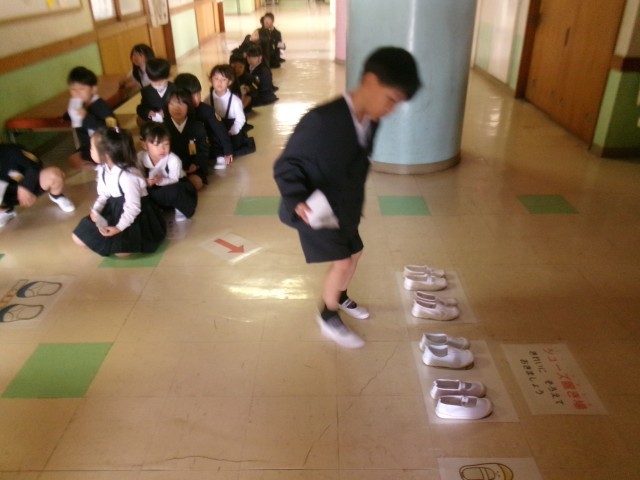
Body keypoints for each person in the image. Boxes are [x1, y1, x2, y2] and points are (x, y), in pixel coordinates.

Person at [273, 46, 421, 348]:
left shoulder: (372, 120)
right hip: (312, 208)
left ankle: (338, 295)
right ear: (370, 81)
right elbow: (286, 165)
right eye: (391, 100)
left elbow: (358, 165)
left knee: (355, 253)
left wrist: (356, 202)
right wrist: (297, 198)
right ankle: (328, 315)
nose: (391, 110)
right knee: (342, 261)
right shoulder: (322, 120)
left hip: (343, 204)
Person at [72, 127, 166, 256]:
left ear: (106, 154)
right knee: (78, 238)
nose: (90, 151)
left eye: (92, 148)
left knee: (121, 252)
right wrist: (96, 210)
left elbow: (133, 207)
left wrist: (119, 228)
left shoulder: (128, 176)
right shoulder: (103, 169)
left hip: (135, 215)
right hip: (113, 208)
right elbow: (104, 194)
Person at [0, 144, 76, 227]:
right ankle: (6, 210)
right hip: (6, 197)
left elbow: (34, 164)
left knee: (55, 174)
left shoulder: (11, 150)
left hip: (30, 184)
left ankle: (56, 196)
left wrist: (25, 187)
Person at [138, 122, 197, 222]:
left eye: (166, 144)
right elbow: (138, 176)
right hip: (154, 189)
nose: (162, 149)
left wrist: (160, 181)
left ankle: (180, 207)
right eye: (156, 145)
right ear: (144, 145)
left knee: (174, 191)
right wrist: (145, 181)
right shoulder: (140, 157)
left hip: (175, 185)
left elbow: (174, 179)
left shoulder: (173, 159)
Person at [174, 72, 234, 171]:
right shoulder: (177, 111)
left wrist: (228, 150)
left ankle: (218, 155)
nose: (197, 99)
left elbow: (220, 129)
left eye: (198, 93)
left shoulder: (206, 110)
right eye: (192, 96)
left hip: (207, 142)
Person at [65, 66, 117, 170]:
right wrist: (68, 115)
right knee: (73, 160)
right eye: (73, 89)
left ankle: (104, 168)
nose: (77, 93)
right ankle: (98, 168)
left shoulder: (101, 106)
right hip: (89, 146)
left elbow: (113, 129)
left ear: (93, 89)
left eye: (82, 89)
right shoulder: (80, 105)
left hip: (106, 146)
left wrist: (87, 117)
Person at [164, 88, 209, 190]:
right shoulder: (163, 128)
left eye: (181, 104)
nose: (176, 108)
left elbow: (203, 150)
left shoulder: (197, 126)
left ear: (188, 105)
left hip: (192, 168)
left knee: (195, 183)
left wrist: (196, 164)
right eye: (172, 104)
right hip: (170, 168)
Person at [207, 64, 256, 157]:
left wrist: (231, 131)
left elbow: (241, 119)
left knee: (233, 145)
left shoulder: (235, 101)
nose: (219, 82)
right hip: (215, 131)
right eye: (216, 79)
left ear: (229, 82)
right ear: (211, 80)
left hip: (231, 131)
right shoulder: (208, 99)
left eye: (223, 79)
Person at [136, 58, 174, 126]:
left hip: (173, 122)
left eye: (161, 81)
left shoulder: (175, 89)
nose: (158, 84)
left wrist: (165, 113)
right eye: (154, 81)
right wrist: (148, 113)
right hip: (156, 124)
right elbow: (141, 108)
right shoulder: (147, 91)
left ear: (168, 77)